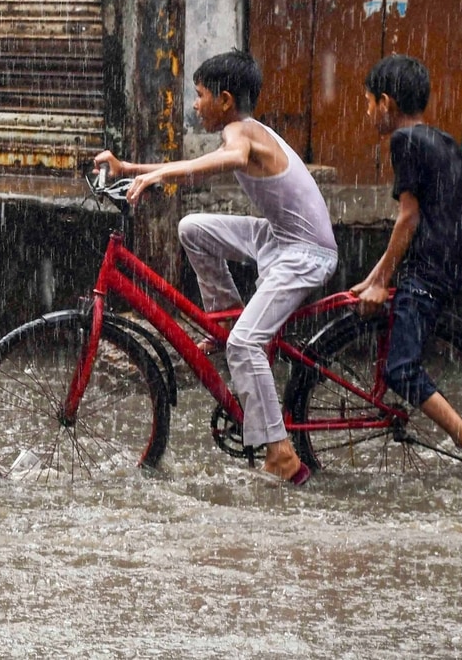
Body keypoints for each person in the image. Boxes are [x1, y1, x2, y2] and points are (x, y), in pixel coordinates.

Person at [94, 49, 335, 484]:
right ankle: (225, 323)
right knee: (193, 228)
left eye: (199, 95)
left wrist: (163, 176)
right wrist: (129, 168)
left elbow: (230, 160)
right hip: (277, 237)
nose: (194, 104)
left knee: (247, 345)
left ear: (224, 100)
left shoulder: (241, 134)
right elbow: (207, 162)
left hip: (305, 252)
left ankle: (281, 454)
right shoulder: (241, 130)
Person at [349, 55, 462, 474]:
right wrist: (373, 279)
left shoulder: (402, 142)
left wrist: (382, 281)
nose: (368, 111)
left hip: (428, 268)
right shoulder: (440, 139)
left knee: (400, 369)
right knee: (402, 363)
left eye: (369, 102)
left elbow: (408, 217)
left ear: (386, 102)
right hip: (453, 264)